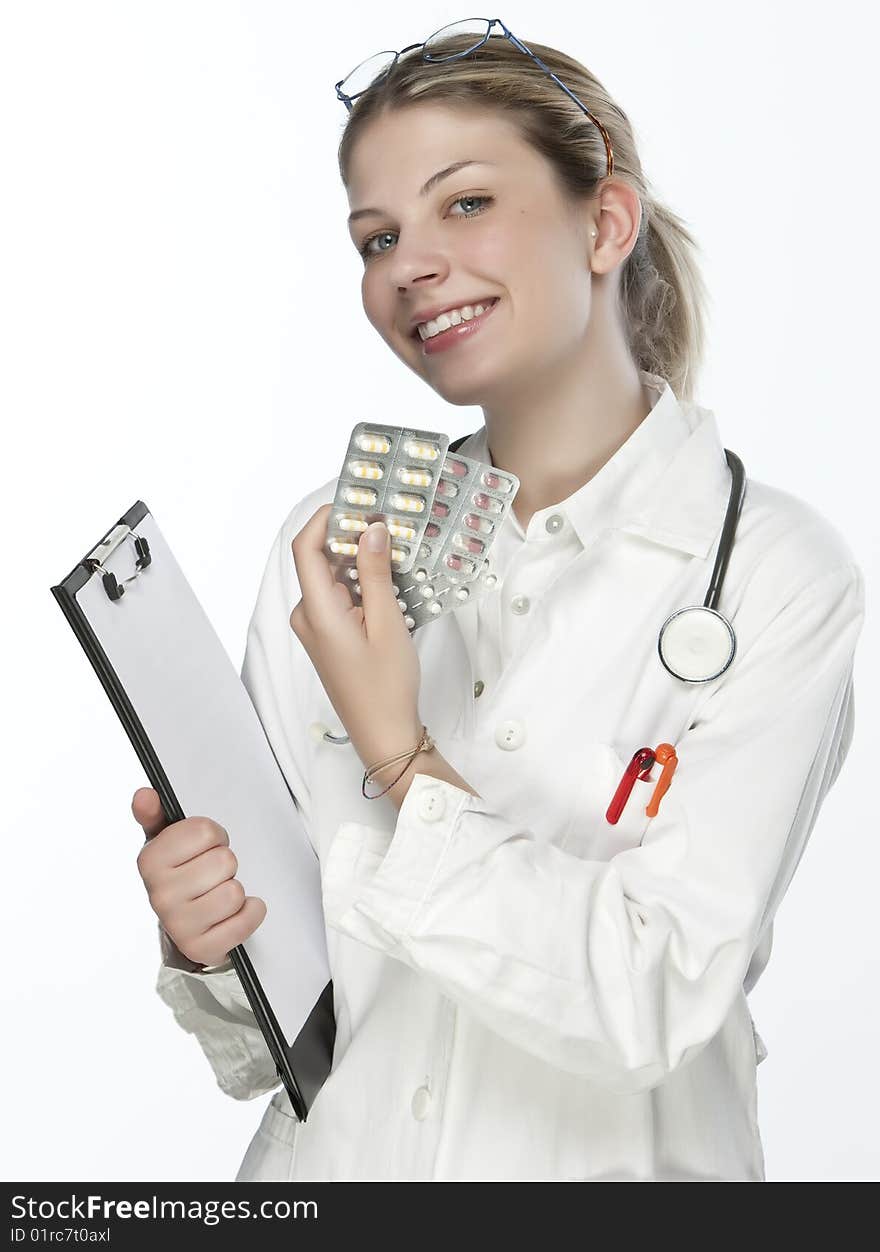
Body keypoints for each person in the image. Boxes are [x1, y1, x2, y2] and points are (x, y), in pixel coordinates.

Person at [132, 24, 865, 1182]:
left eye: (463, 203)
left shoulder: (776, 573)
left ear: (605, 225)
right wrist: (207, 938)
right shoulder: (331, 545)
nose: (406, 264)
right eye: (377, 237)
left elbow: (652, 996)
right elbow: (273, 1041)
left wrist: (401, 755)